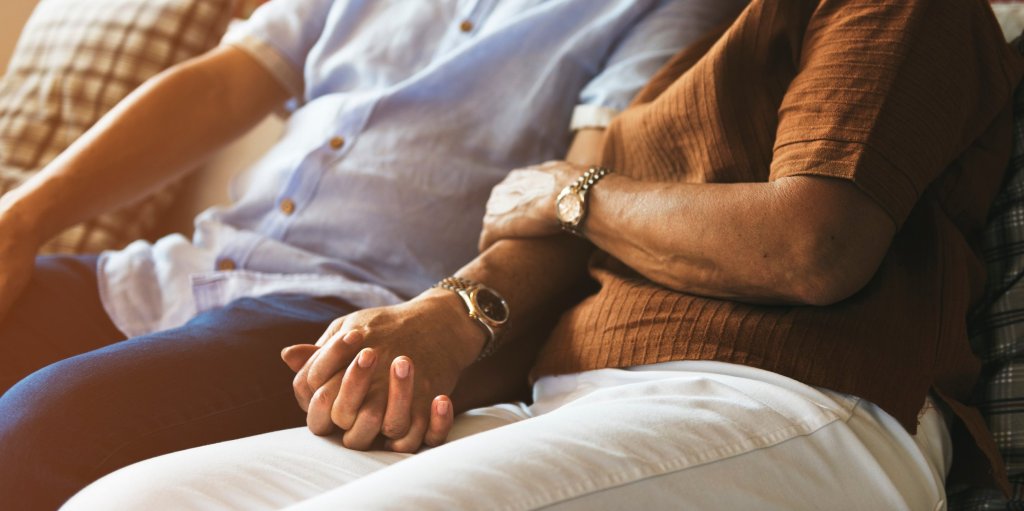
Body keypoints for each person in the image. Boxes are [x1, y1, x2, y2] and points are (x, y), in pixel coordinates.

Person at [59, 0, 1024, 509]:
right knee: (134, 497)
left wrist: (572, 192)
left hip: (799, 400)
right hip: (572, 394)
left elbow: (816, 245)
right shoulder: (705, 43)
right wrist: (449, 317)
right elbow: (572, 240)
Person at [0, 0, 751, 508]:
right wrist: (21, 219)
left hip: (338, 316)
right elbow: (226, 85)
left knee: (30, 432)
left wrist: (448, 315)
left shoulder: (662, 11)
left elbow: (576, 205)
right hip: (179, 267)